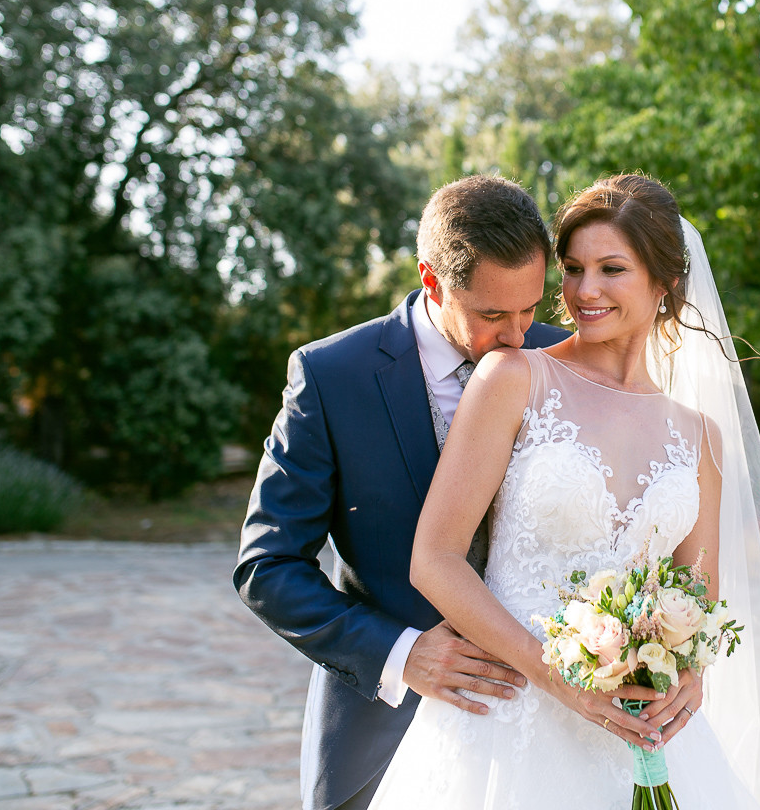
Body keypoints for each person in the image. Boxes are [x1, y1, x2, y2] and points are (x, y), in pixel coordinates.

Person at [368, 174, 760, 809]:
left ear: (666, 284)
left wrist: (689, 674)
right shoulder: (515, 378)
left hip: (642, 735)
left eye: (611, 268)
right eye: (573, 268)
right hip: (508, 724)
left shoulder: (700, 436)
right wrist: (559, 679)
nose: (584, 290)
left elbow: (696, 595)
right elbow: (434, 560)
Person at [234, 175, 570, 810]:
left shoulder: (565, 359)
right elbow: (266, 567)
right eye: (493, 315)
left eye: (531, 308)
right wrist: (402, 653)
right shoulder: (331, 377)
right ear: (431, 280)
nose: (519, 336)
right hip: (385, 738)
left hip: (545, 736)